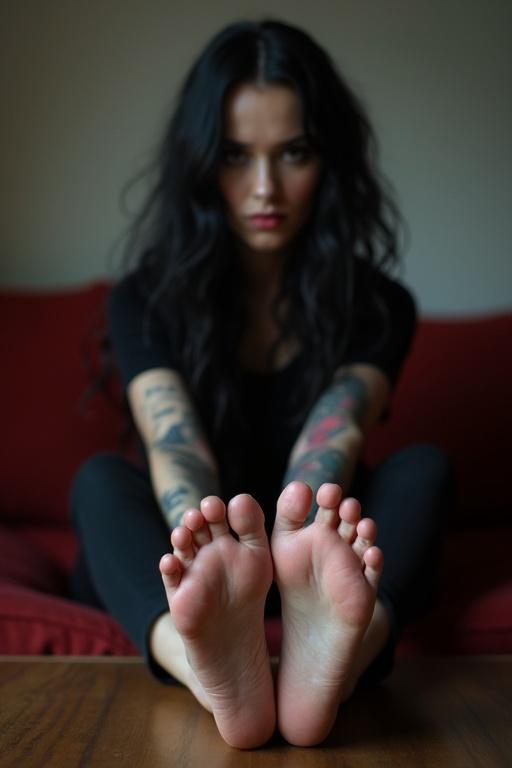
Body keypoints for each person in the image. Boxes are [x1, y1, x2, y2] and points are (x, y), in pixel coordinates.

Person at [70, 19, 452, 749]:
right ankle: (201, 652)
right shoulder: (145, 299)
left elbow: (330, 442)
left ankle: (337, 650)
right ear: (201, 164)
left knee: (425, 471)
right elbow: (174, 444)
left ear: (329, 161)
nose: (265, 187)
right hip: (193, 549)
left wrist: (290, 544)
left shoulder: (378, 306)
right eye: (237, 157)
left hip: (311, 550)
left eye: (294, 153)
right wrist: (210, 554)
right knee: (99, 483)